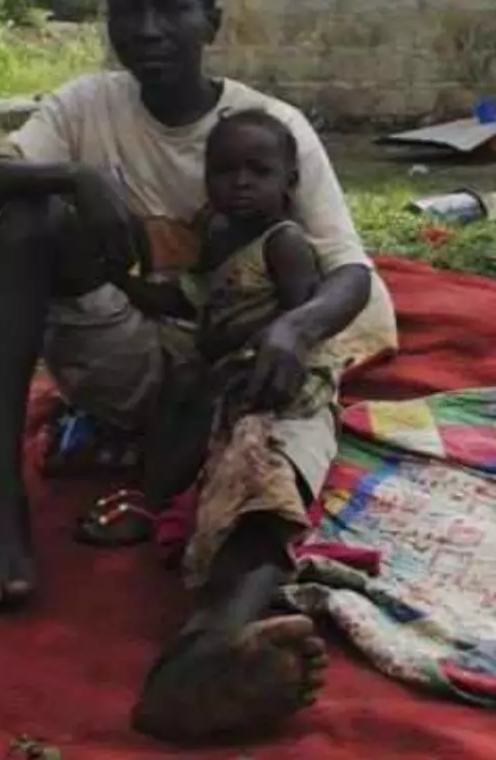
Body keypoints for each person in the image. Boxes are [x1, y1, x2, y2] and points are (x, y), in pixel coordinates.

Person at [0, 0, 397, 743]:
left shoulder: (272, 128)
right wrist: (73, 179)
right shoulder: (87, 106)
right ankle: (0, 503)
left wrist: (294, 328)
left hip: (242, 359)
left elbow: (350, 273)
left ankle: (211, 645)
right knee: (26, 221)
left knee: (268, 444)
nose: (150, 27)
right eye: (131, 10)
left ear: (212, 24)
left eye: (172, 10)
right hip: (130, 356)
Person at [73, 108, 334, 551]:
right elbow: (191, 298)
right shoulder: (216, 235)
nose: (241, 182)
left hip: (280, 369)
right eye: (226, 170)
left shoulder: (284, 242)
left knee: (203, 399)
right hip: (221, 360)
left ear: (289, 182)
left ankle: (155, 501)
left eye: (259, 171)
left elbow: (302, 317)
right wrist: (122, 282)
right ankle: (154, 480)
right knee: (178, 387)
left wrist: (244, 334)